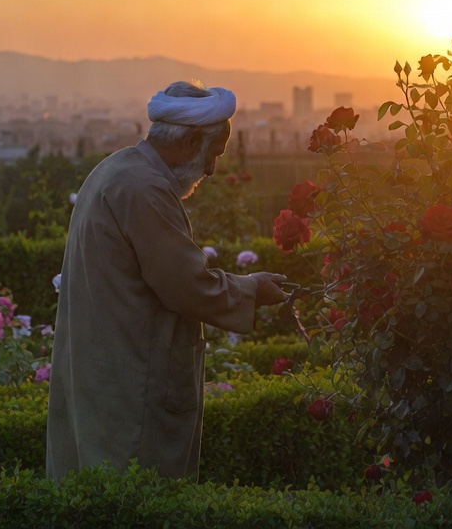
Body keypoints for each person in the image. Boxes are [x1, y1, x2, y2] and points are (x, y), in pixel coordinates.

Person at [46, 81, 290, 481]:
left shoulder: (116, 169)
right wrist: (252, 288)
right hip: (130, 387)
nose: (211, 169)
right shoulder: (145, 189)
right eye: (213, 154)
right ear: (190, 139)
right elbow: (187, 286)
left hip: (101, 374)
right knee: (134, 497)